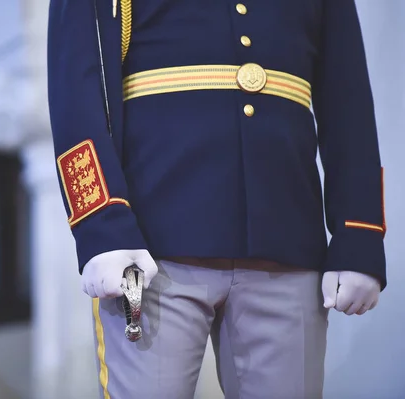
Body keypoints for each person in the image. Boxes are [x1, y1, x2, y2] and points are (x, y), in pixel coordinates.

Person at [46, 0, 386, 398]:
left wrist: (359, 232)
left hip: (287, 239)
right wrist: (101, 224)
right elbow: (77, 88)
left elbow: (348, 100)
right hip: (151, 250)